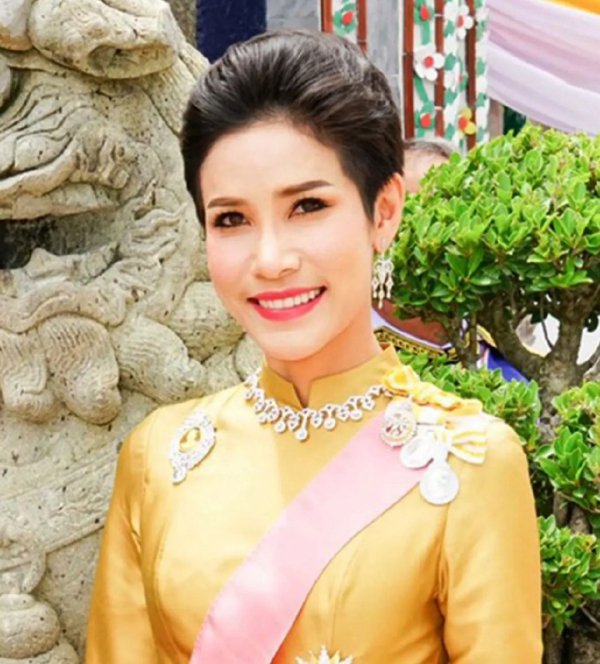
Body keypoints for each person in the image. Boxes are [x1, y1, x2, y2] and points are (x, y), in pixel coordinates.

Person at [85, 31, 542, 664]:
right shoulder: (158, 455)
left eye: (307, 206)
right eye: (231, 219)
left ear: (383, 212)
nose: (270, 259)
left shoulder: (471, 462)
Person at [373, 139, 527, 382]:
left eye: (451, 211)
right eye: (411, 210)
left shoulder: (501, 351)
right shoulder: (346, 353)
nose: (431, 231)